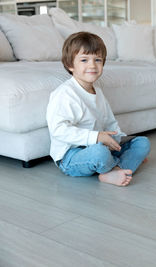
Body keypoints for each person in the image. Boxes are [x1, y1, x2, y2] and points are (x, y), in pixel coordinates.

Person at [46, 32, 150, 186]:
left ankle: (114, 169)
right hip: (71, 155)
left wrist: (116, 140)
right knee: (99, 153)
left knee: (142, 143)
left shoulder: (98, 92)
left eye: (97, 60)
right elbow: (59, 130)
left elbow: (109, 122)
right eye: (84, 60)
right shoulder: (64, 94)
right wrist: (96, 137)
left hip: (99, 145)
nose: (92, 65)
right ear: (70, 65)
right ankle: (116, 167)